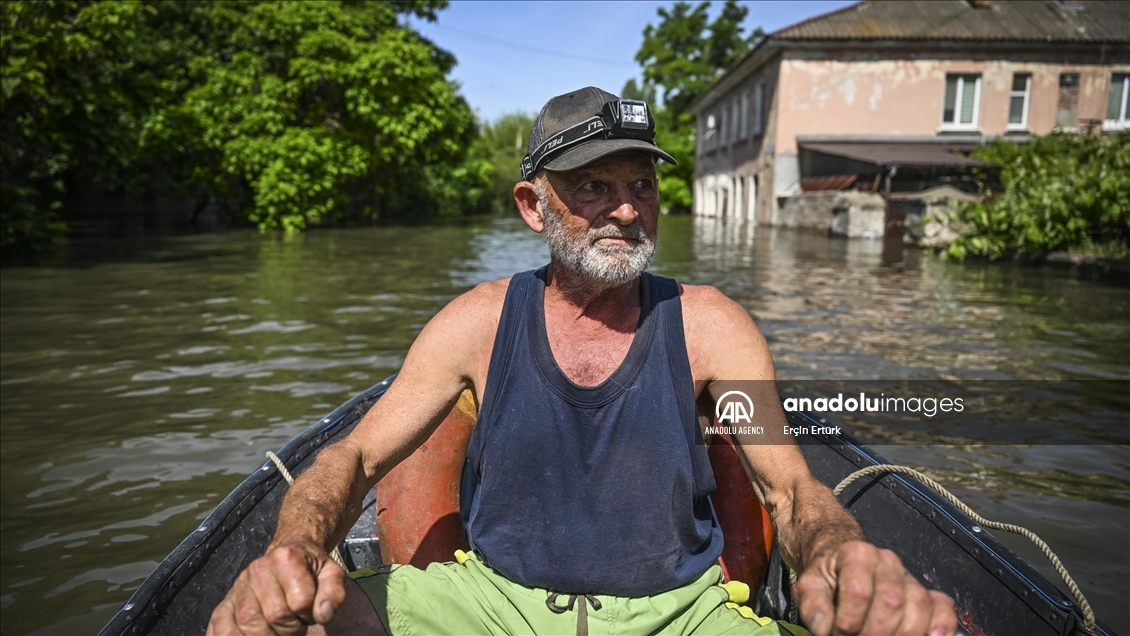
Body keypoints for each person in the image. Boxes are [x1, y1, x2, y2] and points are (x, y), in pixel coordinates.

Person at [206, 87, 958, 636]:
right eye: (594, 187)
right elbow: (355, 456)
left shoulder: (712, 327)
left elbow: (790, 492)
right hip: (489, 605)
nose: (627, 209)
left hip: (680, 616)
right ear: (534, 207)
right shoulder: (477, 322)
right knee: (275, 628)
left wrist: (841, 551)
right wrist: (296, 548)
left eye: (640, 184)